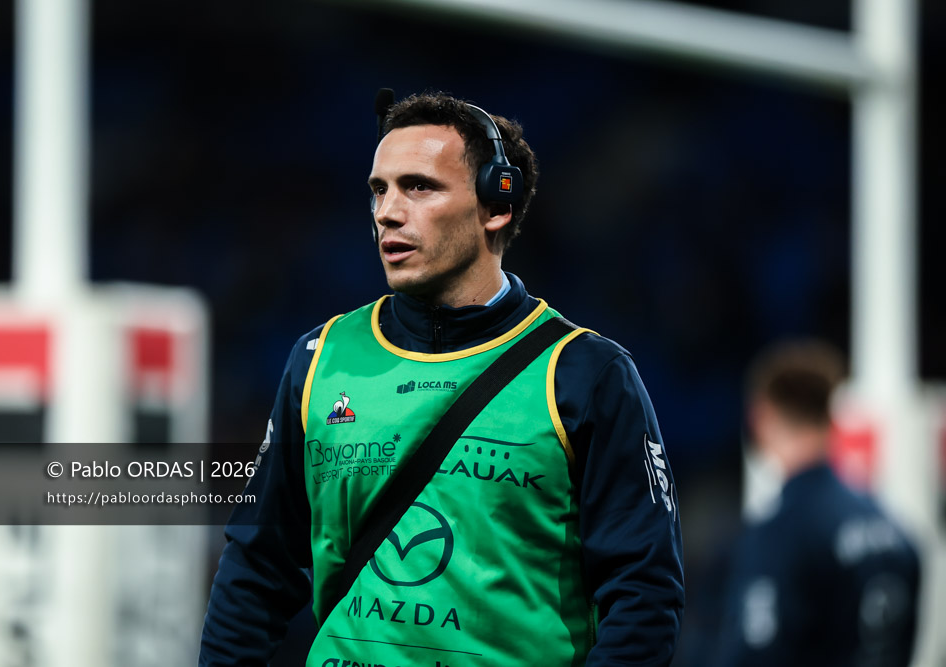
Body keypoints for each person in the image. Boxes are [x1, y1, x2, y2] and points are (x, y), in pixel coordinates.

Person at [199, 92, 684, 666]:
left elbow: (643, 597)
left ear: (494, 206)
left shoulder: (585, 375)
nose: (387, 211)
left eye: (419, 186)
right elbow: (256, 568)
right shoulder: (320, 358)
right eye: (379, 189)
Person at [715, 340, 921, 666]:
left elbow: (754, 654)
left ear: (762, 415)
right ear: (830, 416)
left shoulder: (779, 535)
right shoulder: (894, 530)